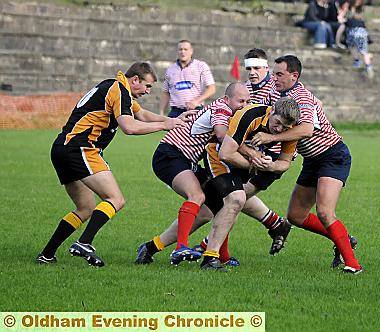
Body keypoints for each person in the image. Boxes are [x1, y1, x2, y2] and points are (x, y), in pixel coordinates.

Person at [36, 62, 192, 267]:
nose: (147, 91)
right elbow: (129, 127)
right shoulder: (118, 90)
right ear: (135, 80)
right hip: (80, 149)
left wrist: (172, 119)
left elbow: (142, 115)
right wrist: (165, 125)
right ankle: (84, 242)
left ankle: (47, 254)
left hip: (62, 149)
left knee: (85, 208)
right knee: (116, 199)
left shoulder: (116, 88)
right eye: (147, 86)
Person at [250, 55, 363, 274]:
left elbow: (306, 130)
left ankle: (353, 265)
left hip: (332, 155)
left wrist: (270, 139)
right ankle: (344, 240)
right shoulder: (276, 92)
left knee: (324, 212)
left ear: (294, 76)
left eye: (280, 74)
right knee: (295, 216)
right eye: (274, 73)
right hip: (312, 160)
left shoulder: (301, 97)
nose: (275, 78)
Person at [135, 82, 251, 266]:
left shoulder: (226, 109)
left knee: (220, 206)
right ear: (227, 99)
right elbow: (222, 135)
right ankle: (181, 248)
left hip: (185, 159)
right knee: (196, 195)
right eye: (241, 101)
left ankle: (150, 247)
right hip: (170, 154)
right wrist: (251, 152)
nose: (244, 105)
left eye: (248, 101)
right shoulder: (223, 109)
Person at [200, 98, 300, 271]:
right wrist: (255, 162)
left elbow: (285, 162)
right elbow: (226, 153)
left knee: (229, 203)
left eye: (285, 128)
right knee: (230, 201)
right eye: (277, 123)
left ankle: (156, 247)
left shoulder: (289, 130)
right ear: (272, 110)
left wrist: (271, 166)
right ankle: (206, 254)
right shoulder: (250, 114)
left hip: (245, 161)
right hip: (217, 155)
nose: (279, 130)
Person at [160, 40, 216, 118]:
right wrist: (161, 112)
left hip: (195, 110)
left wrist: (197, 101)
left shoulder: (201, 66)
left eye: (185, 49)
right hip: (175, 111)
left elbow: (211, 88)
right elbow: (166, 92)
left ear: (191, 51)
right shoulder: (170, 70)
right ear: (177, 51)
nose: (183, 52)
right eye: (180, 49)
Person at [342, 0, 373, 78]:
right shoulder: (352, 11)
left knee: (355, 48)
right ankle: (367, 65)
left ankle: (360, 62)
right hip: (360, 32)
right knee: (361, 50)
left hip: (355, 32)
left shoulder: (356, 12)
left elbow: (343, 19)